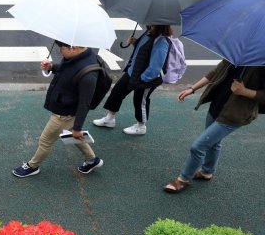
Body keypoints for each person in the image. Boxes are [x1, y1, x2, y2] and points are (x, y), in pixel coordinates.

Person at [163, 60, 265, 193]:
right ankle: (207, 172)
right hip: (217, 106)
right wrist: (192, 89)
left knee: (198, 147)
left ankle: (183, 179)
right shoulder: (237, 51)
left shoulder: (261, 63)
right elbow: (215, 72)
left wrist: (244, 91)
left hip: (235, 113)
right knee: (214, 142)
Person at [12, 40, 103, 178]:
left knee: (45, 141)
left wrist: (78, 127)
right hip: (66, 109)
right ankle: (92, 159)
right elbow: (69, 69)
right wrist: (52, 66)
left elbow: (85, 103)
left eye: (61, 49)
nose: (60, 51)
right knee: (74, 135)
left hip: (64, 114)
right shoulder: (78, 57)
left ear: (73, 48)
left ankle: (32, 166)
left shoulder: (88, 74)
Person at [92, 25, 171, 135]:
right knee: (117, 92)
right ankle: (110, 119)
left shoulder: (162, 41)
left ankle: (141, 126)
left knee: (140, 100)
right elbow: (143, 51)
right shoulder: (149, 32)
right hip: (133, 72)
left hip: (146, 78)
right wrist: (134, 42)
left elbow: (155, 67)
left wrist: (143, 79)